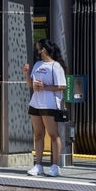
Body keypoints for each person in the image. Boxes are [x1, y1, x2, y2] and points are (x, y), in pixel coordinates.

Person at [23, 38, 67, 177]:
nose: (37, 49)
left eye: (39, 47)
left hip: (50, 104)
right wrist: (26, 74)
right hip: (35, 102)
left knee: (53, 134)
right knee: (38, 134)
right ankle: (38, 164)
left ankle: (55, 165)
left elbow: (62, 86)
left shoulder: (56, 66)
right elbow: (31, 84)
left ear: (44, 50)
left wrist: (45, 87)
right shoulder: (37, 64)